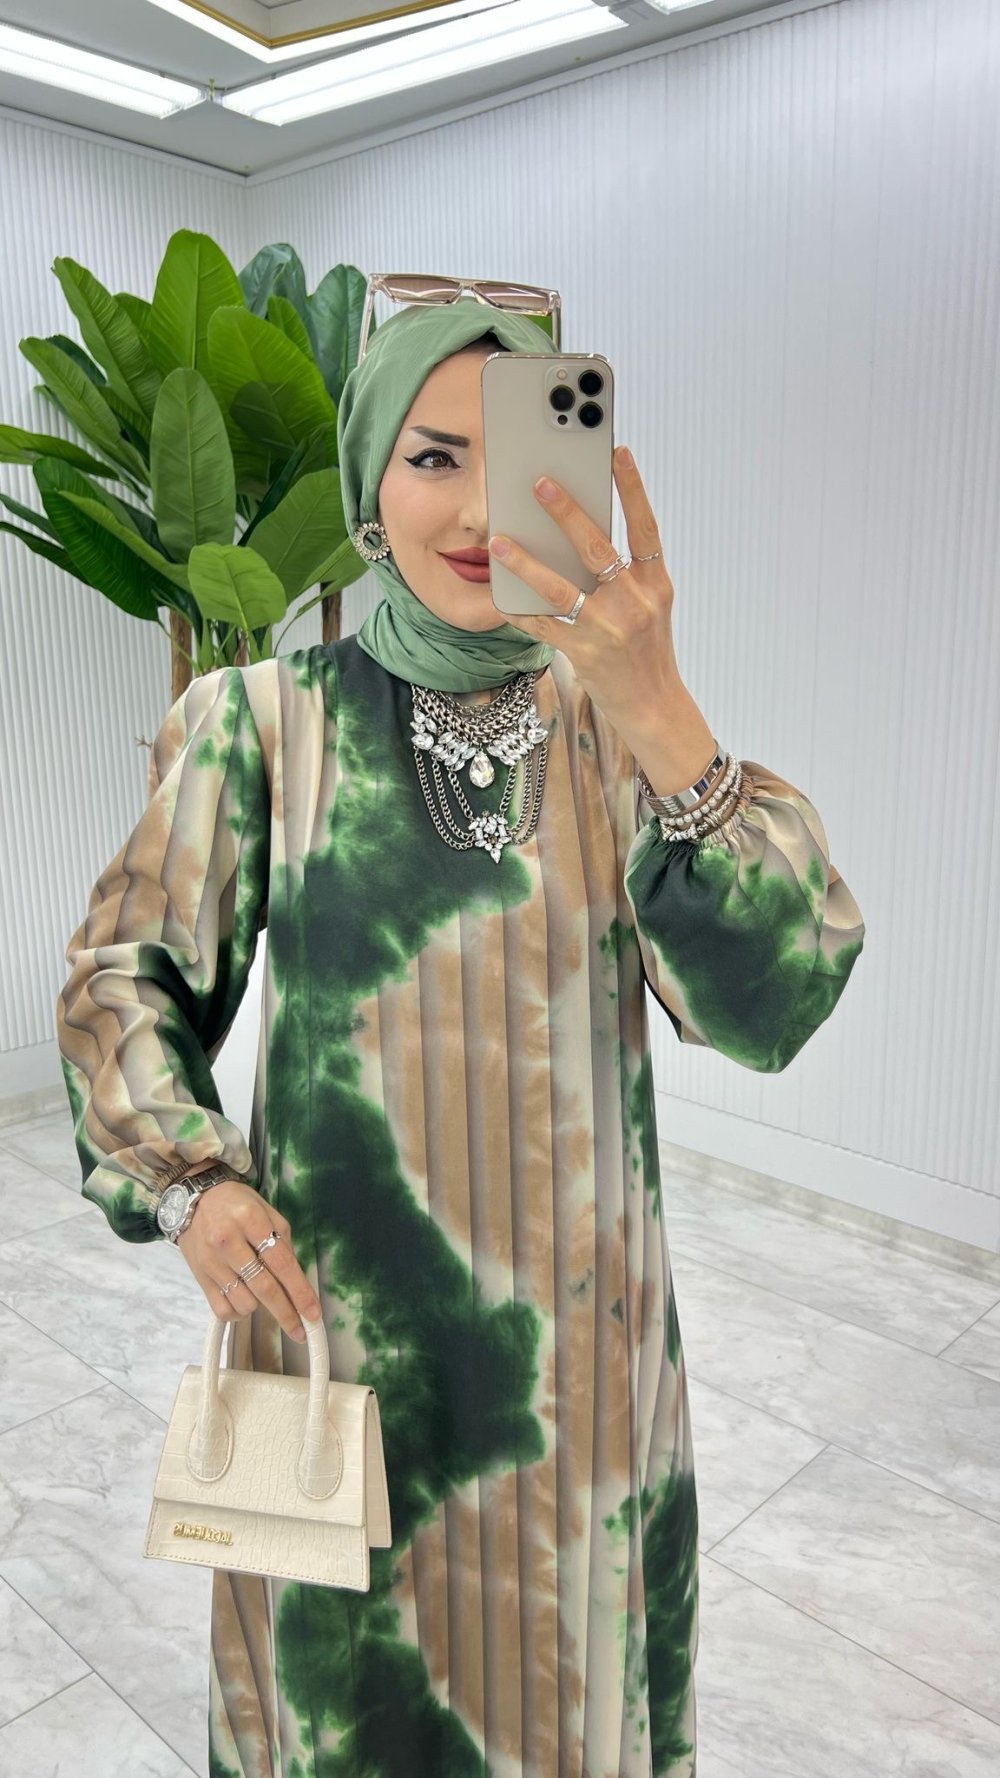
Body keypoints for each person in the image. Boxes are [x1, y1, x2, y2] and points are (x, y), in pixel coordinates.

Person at [55, 294, 866, 1778]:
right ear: (369, 485)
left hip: (581, 1389)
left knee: (573, 1706)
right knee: (345, 1708)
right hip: (342, 1349)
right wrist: (188, 1177)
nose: (483, 510)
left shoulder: (617, 730)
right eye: (435, 456)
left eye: (514, 456)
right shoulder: (262, 721)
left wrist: (662, 703)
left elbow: (773, 1004)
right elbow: (124, 971)